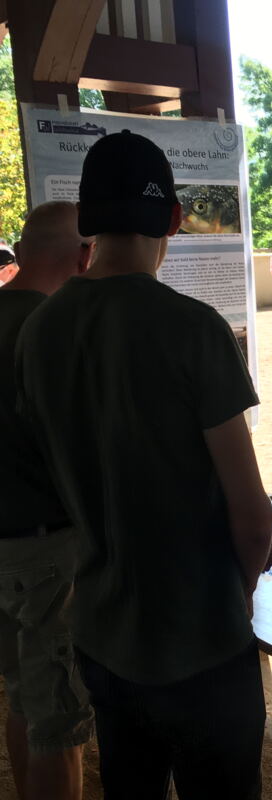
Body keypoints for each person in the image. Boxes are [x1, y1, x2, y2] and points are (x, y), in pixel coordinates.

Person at [16, 131, 272, 799]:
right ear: (174, 219)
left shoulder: (39, 330)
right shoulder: (194, 328)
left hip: (102, 633)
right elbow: (253, 519)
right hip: (201, 640)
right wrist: (240, 595)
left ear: (86, 220)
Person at [1, 202, 94, 800]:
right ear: (84, 257)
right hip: (45, 552)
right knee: (60, 723)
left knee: (23, 697)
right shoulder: (52, 331)